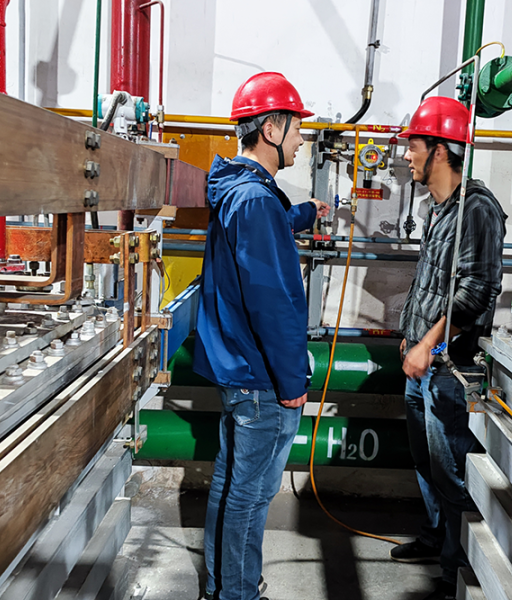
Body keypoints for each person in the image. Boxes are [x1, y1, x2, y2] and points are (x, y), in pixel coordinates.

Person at [194, 71, 330, 600]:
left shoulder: (245, 193)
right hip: (261, 378)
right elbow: (274, 302)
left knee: (232, 489)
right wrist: (293, 380)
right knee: (249, 497)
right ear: (272, 127)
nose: (301, 139)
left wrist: (306, 212)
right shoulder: (254, 201)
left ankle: (224, 585)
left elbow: (267, 223)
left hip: (239, 370)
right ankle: (237, 593)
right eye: (297, 128)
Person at [392, 96, 507, 600]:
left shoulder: (476, 210)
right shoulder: (440, 211)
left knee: (451, 469)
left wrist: (428, 346)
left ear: (440, 150)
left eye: (414, 146)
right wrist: (409, 335)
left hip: (449, 368)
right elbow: (431, 283)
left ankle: (455, 571)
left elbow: (475, 293)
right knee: (426, 462)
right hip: (422, 363)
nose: (408, 157)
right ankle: (439, 539)